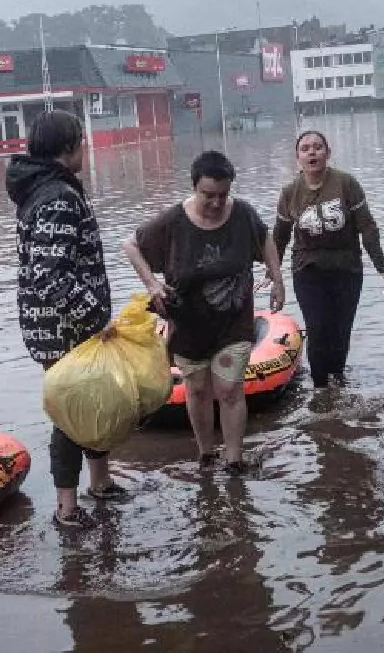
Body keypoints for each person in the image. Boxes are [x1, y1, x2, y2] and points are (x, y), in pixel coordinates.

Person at [122, 151, 286, 475]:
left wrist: (276, 277)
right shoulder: (173, 221)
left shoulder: (242, 214)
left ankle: (235, 459)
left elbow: (265, 237)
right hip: (188, 324)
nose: (215, 202)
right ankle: (206, 453)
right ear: (195, 187)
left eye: (222, 195)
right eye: (208, 195)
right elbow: (130, 245)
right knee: (196, 390)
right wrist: (153, 284)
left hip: (233, 322)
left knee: (228, 390)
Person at [9, 109, 124, 529]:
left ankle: (100, 483)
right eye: (82, 140)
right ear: (68, 147)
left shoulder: (44, 189)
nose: (85, 149)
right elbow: (48, 274)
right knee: (71, 413)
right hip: (64, 330)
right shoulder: (57, 197)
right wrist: (93, 316)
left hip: (56, 326)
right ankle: (67, 509)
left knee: (88, 404)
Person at [272, 130, 384, 389]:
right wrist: (272, 274)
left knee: (341, 329)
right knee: (318, 326)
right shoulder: (290, 192)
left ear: (327, 153)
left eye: (318, 147)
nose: (312, 152)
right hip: (307, 269)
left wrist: (380, 263)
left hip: (346, 268)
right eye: (306, 148)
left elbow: (367, 226)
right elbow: (279, 237)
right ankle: (320, 388)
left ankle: (338, 380)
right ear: (298, 156)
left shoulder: (346, 183)